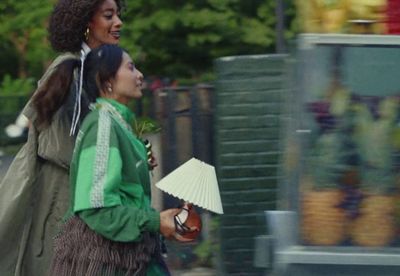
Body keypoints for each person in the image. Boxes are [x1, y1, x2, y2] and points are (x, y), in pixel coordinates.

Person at [0, 0, 124, 275]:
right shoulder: (70, 68)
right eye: (108, 15)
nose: (118, 22)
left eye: (118, 14)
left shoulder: (97, 69)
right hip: (60, 193)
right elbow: (49, 136)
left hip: (82, 191)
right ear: (86, 23)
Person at [50, 44, 189, 275]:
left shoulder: (117, 124)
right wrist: (155, 221)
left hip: (132, 254)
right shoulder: (103, 125)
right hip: (111, 259)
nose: (140, 75)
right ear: (107, 81)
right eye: (131, 67)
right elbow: (96, 207)